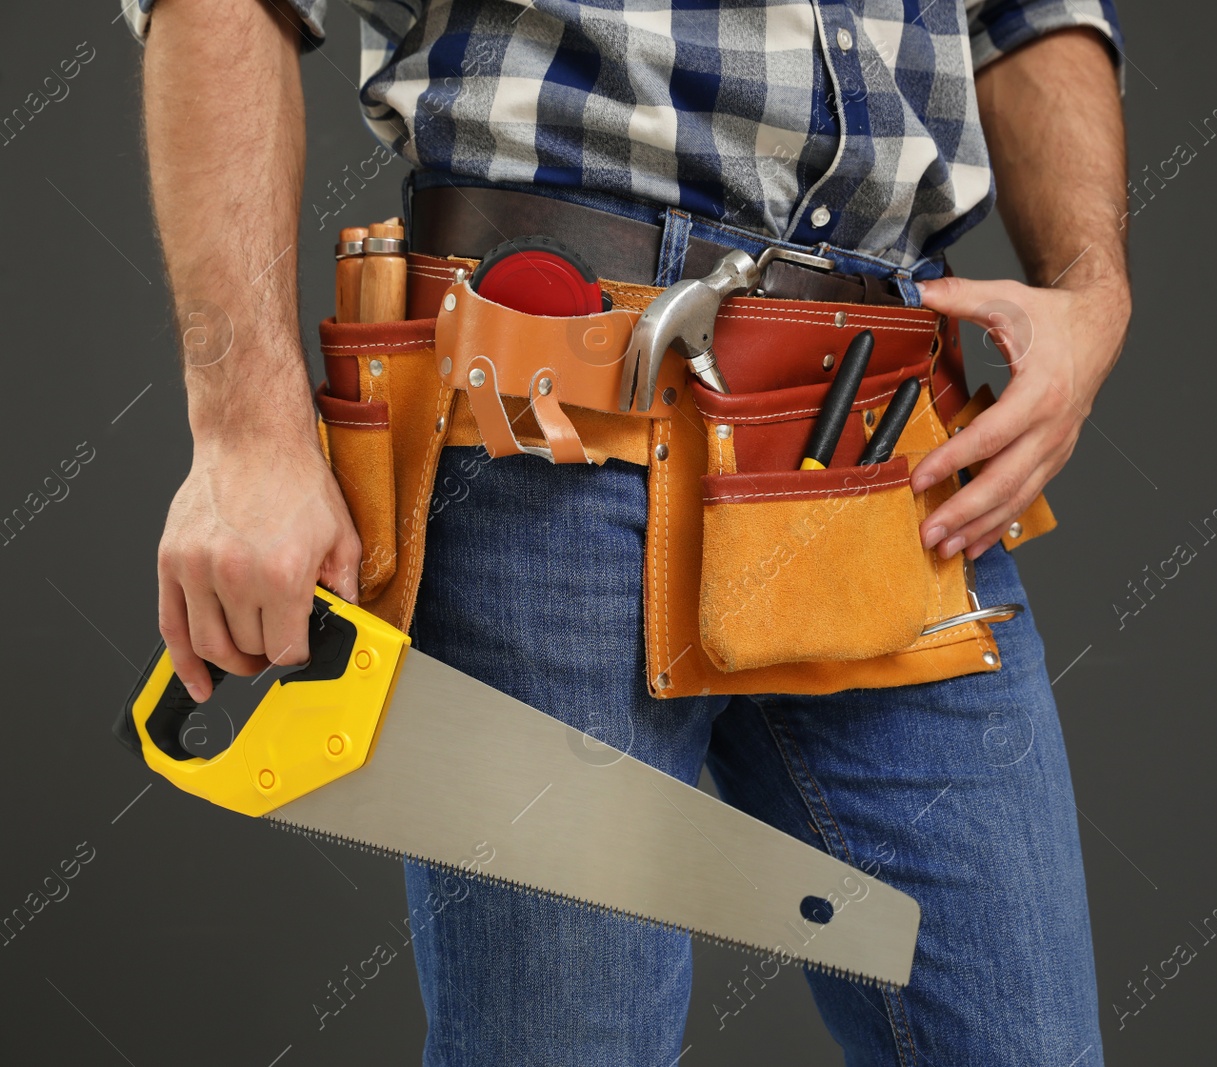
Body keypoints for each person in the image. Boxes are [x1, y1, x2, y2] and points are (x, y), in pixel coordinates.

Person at [128, 0, 1131, 1062]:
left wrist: (1092, 290)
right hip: (544, 439)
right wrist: (244, 432)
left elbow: (1033, 15)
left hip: (892, 456)